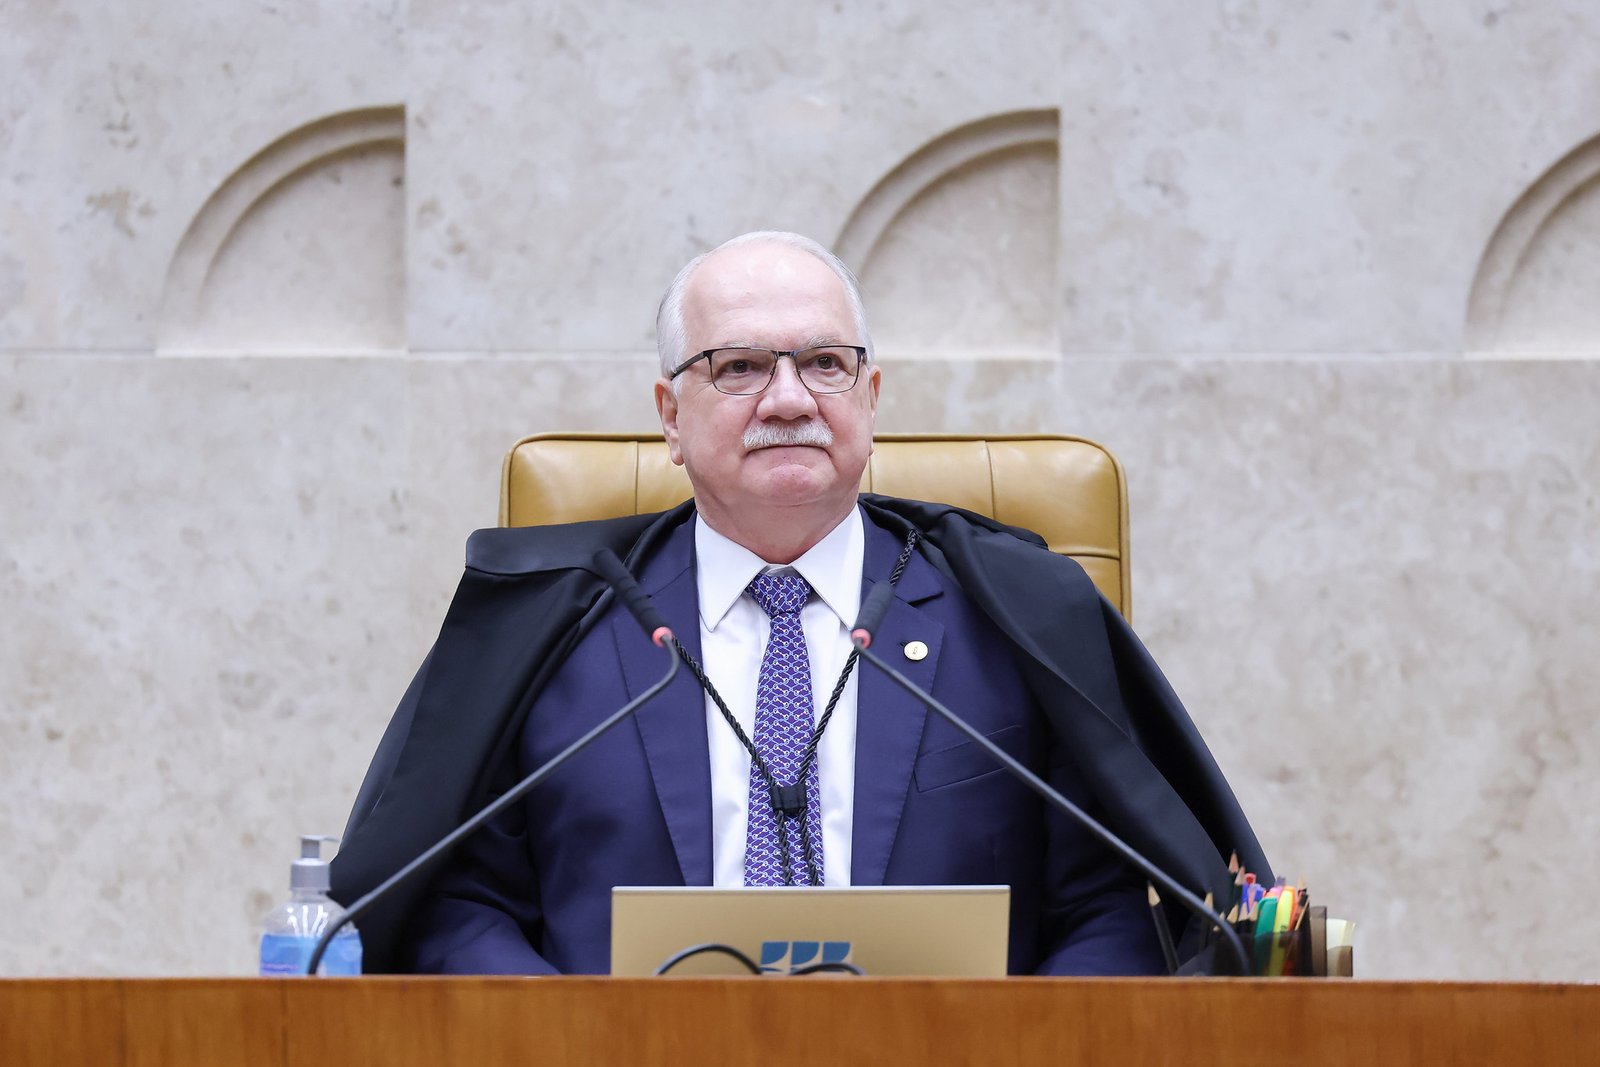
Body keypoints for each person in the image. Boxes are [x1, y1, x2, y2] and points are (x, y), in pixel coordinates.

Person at [331, 231, 1270, 975]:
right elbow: (460, 903)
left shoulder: (1009, 615)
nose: (788, 399)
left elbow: (1110, 908)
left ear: (871, 395)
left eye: (824, 362)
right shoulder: (556, 627)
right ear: (669, 415)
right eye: (739, 366)